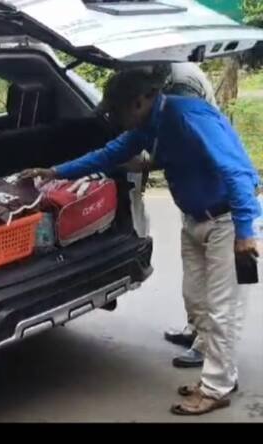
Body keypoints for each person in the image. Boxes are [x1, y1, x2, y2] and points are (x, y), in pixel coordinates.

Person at [22, 67, 260, 416]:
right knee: (197, 301)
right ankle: (219, 373)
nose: (115, 119)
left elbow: (236, 170)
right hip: (196, 217)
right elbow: (108, 153)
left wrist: (245, 231)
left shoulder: (187, 114)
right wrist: (55, 172)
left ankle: (217, 386)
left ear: (139, 101)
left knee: (223, 310)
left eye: (117, 110)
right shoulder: (149, 125)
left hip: (226, 219)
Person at [131, 63, 218, 369]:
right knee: (194, 281)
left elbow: (179, 144)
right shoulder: (162, 78)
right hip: (195, 202)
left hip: (215, 204)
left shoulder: (180, 88)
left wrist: (246, 227)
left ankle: (209, 351)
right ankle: (197, 331)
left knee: (214, 287)